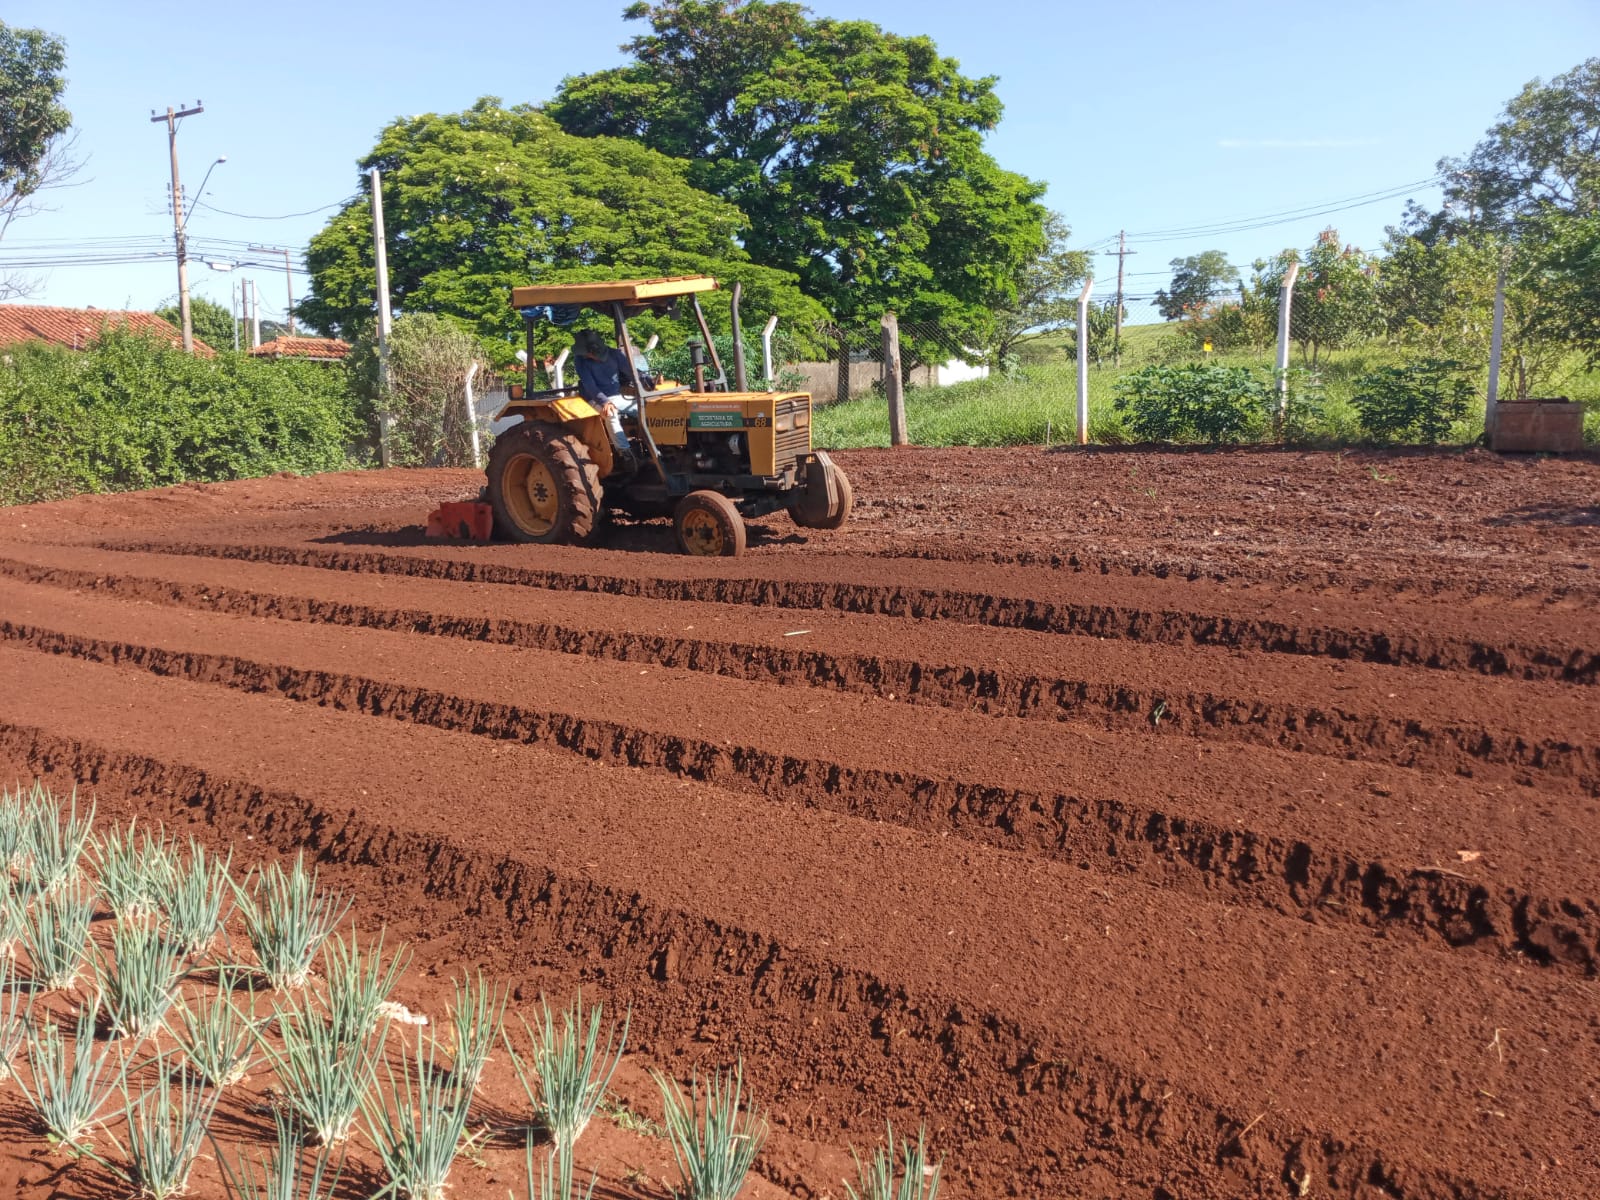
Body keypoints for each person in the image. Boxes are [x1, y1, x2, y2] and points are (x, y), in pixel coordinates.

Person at [573, 329, 652, 455]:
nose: (587, 356)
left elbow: (632, 372)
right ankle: (625, 453)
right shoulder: (580, 361)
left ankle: (652, 445)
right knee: (611, 413)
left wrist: (648, 379)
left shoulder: (615, 354)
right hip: (595, 398)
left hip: (616, 396)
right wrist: (605, 402)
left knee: (646, 409)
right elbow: (590, 385)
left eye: (588, 354)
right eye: (585, 354)